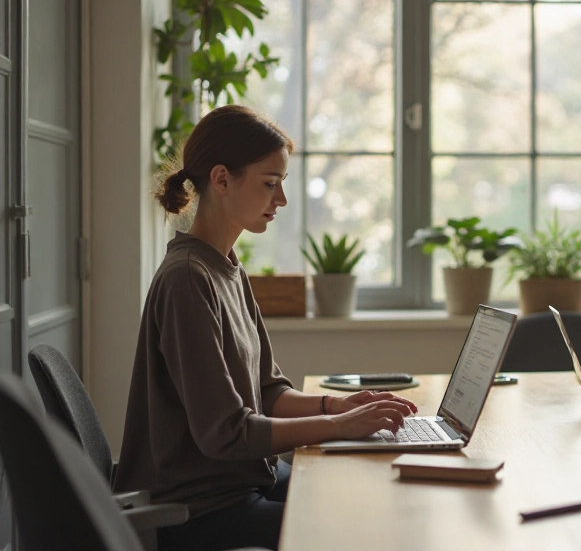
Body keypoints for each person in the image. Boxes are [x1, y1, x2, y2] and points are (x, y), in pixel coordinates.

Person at [114, 105, 418, 551]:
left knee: (367, 491)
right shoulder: (186, 279)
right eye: (270, 184)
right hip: (200, 511)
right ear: (221, 179)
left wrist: (337, 407)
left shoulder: (226, 267)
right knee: (358, 527)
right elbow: (227, 432)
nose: (282, 200)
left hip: (243, 483)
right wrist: (340, 426)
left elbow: (269, 390)